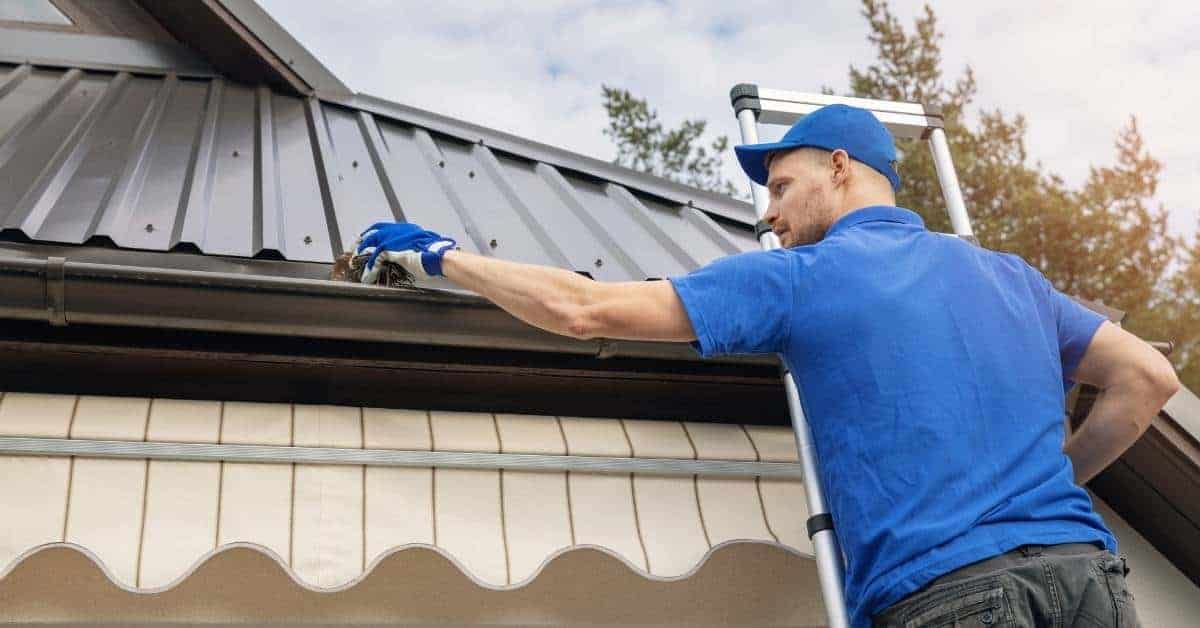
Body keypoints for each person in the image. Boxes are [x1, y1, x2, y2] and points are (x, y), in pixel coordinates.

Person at [351, 104, 1178, 627]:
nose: (771, 217)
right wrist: (1053, 483)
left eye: (782, 187)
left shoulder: (802, 279)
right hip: (1088, 584)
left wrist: (440, 257)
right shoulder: (1010, 276)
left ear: (842, 170)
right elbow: (1147, 379)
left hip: (952, 595)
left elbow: (586, 309)